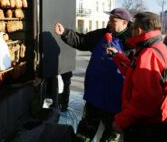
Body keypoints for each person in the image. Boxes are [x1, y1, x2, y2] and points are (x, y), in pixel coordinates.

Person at [54, 8, 133, 142]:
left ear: (125, 23)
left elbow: (134, 70)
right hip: (94, 95)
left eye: (113, 21)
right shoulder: (101, 34)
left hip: (116, 101)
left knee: (110, 137)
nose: (109, 23)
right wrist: (65, 33)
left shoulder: (131, 42)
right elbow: (82, 40)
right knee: (83, 135)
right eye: (109, 19)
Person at [106, 12, 167, 141]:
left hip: (146, 126)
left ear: (138, 30)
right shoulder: (160, 48)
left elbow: (144, 101)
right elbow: (135, 74)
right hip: (157, 121)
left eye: (132, 29)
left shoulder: (148, 54)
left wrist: (121, 121)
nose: (130, 31)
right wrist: (118, 56)